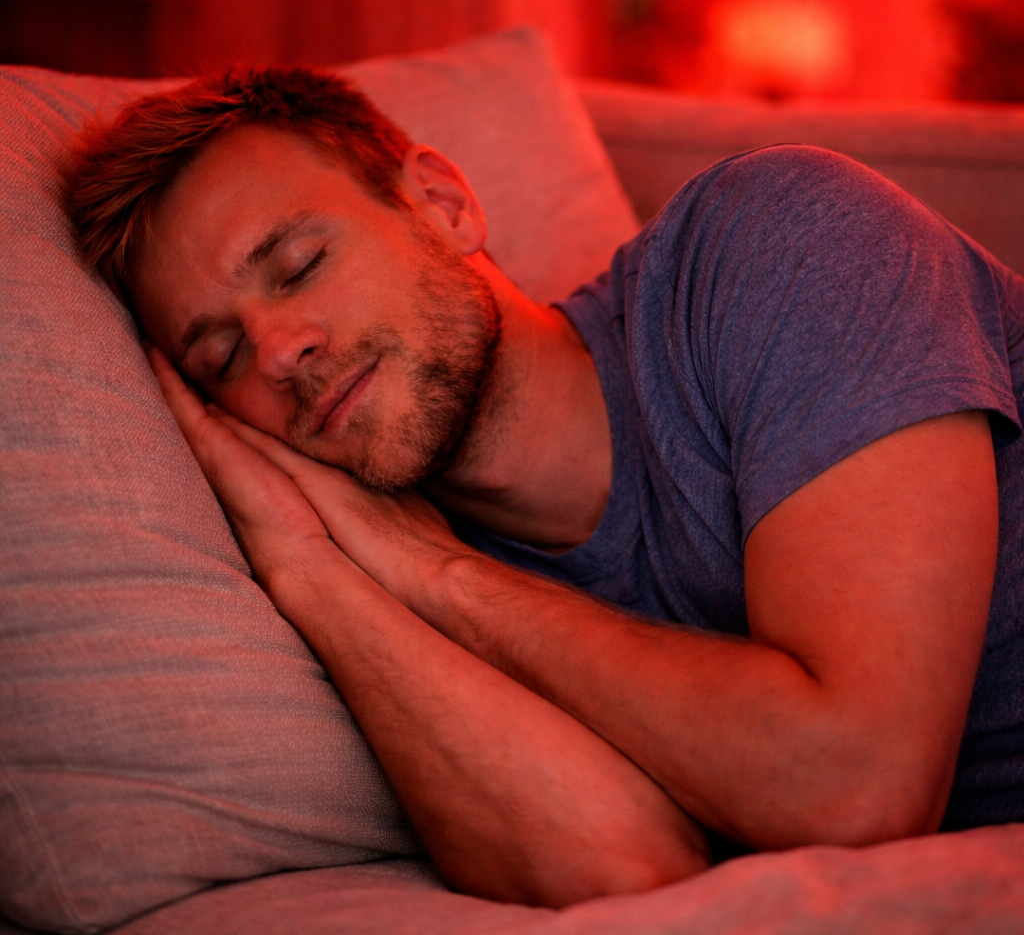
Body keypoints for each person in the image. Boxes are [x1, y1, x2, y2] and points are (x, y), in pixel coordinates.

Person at [65, 67, 1024, 907]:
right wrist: (311, 570)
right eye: (222, 356)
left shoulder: (779, 239)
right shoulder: (407, 578)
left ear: (441, 203)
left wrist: (444, 578)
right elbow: (627, 876)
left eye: (299, 265)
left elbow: (856, 788)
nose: (279, 352)